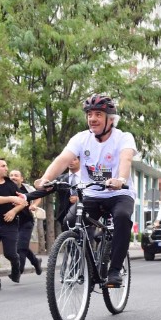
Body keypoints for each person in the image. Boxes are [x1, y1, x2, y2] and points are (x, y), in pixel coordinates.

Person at [35, 94, 136, 287]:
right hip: (92, 194)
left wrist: (121, 179)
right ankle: (86, 264)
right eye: (89, 114)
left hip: (119, 193)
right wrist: (46, 179)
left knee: (122, 217)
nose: (92, 118)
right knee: (71, 220)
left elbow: (126, 159)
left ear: (110, 119)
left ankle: (114, 270)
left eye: (98, 114)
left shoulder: (123, 138)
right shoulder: (81, 139)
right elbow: (62, 160)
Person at [0, 158, 29, 290]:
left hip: (10, 226)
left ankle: (16, 270)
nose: (6, 169)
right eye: (3, 166)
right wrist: (10, 198)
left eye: (6, 166)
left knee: (10, 254)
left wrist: (14, 211)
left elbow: (24, 202)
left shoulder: (11, 185)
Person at [9, 169, 43, 275]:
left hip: (26, 221)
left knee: (21, 246)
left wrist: (34, 205)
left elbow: (39, 197)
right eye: (11, 175)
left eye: (16, 175)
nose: (13, 177)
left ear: (21, 179)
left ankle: (19, 270)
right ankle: (36, 261)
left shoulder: (28, 188)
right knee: (20, 245)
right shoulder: (5, 188)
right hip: (11, 223)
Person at [55, 156, 81, 231]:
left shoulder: (87, 177)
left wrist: (80, 199)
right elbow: (45, 191)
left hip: (85, 214)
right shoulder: (60, 179)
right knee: (66, 240)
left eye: (74, 159)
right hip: (65, 216)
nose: (71, 161)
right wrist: (26, 196)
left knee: (84, 240)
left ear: (80, 161)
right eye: (69, 159)